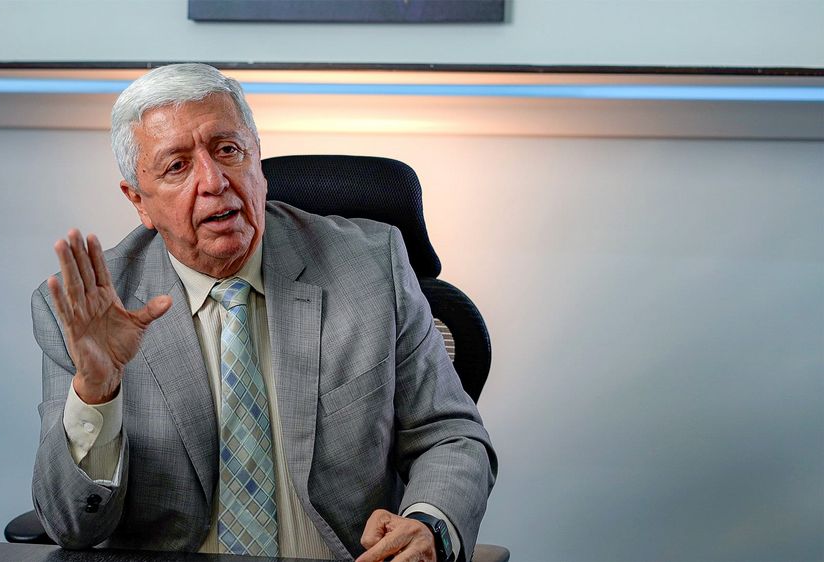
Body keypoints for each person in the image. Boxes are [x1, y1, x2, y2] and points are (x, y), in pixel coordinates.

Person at [31, 63, 496, 562]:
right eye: (177, 166)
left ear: (257, 159)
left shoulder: (370, 267)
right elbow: (72, 526)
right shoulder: (88, 312)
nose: (214, 182)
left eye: (228, 150)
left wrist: (428, 524)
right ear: (139, 201)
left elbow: (450, 435)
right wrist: (97, 391)